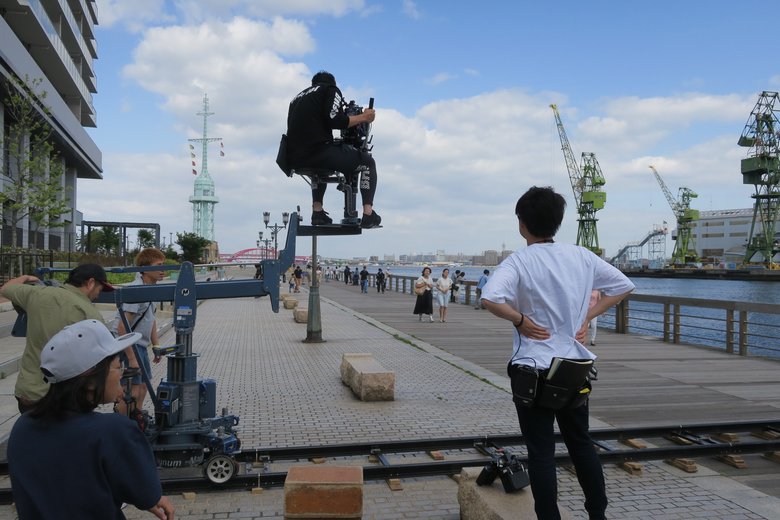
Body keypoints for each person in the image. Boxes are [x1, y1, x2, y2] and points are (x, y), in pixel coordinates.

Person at [481, 186, 634, 520]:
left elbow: (490, 298)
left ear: (522, 223)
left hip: (532, 369)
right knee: (581, 444)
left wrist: (520, 320)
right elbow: (623, 286)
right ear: (557, 222)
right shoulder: (581, 255)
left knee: (541, 453)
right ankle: (597, 514)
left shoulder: (519, 261)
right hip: (572, 366)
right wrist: (586, 317)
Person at [8, 319, 175, 519]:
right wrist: (150, 498)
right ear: (89, 380)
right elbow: (146, 492)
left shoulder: (22, 427)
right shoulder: (113, 431)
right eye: (117, 367)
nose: (122, 375)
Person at [0, 263, 114, 413]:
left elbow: (6, 289)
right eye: (99, 289)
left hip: (28, 393)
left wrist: (26, 277)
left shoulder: (37, 294)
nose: (98, 294)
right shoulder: (90, 315)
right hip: (62, 400)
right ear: (91, 283)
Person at [286, 70, 381, 229]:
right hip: (318, 152)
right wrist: (364, 117)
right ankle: (368, 214)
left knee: (319, 169)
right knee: (367, 162)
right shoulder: (330, 89)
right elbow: (335, 120)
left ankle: (317, 212)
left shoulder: (297, 98)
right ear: (332, 82)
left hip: (294, 157)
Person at [111, 248, 166, 417]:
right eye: (158, 265)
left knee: (142, 387)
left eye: (163, 265)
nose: (163, 269)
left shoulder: (150, 288)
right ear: (144, 268)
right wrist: (132, 359)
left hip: (139, 346)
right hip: (127, 344)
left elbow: (151, 318)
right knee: (131, 391)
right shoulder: (136, 290)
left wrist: (156, 345)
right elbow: (122, 328)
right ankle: (122, 424)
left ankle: (136, 420)